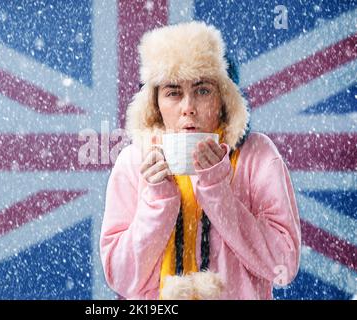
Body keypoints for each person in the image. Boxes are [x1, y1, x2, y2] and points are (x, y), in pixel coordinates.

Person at [100, 21, 301, 300]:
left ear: (224, 98)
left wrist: (218, 191)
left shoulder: (258, 155)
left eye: (203, 90)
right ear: (154, 103)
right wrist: (157, 200)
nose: (188, 108)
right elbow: (120, 278)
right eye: (173, 92)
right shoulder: (134, 162)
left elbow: (283, 266)